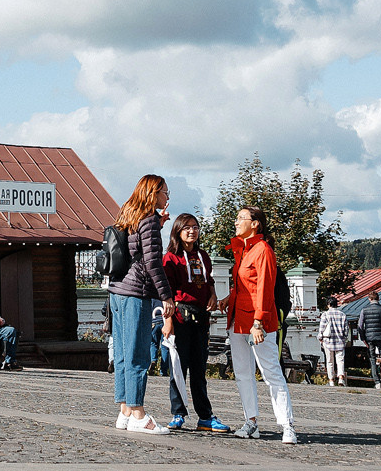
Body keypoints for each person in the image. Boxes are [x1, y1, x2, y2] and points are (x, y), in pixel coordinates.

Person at [106, 174, 175, 434]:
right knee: (138, 355)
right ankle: (138, 413)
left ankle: (124, 410)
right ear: (153, 193)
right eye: (165, 193)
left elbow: (134, 249)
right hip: (135, 293)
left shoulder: (128, 214)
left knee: (123, 353)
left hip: (117, 290)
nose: (167, 198)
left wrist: (158, 222)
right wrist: (166, 295)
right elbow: (152, 262)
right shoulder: (148, 220)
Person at [225, 206, 297, 442]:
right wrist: (228, 299)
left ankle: (287, 425)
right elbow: (244, 285)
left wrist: (258, 322)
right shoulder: (244, 250)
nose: (236, 222)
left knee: (271, 373)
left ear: (255, 224)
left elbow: (265, 288)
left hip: (258, 321)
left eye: (240, 218)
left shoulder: (262, 250)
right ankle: (251, 422)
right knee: (243, 373)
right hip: (238, 319)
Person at [160, 213, 228, 432]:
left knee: (199, 369)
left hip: (201, 318)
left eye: (196, 227)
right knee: (178, 369)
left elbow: (208, 280)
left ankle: (205, 417)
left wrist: (213, 295)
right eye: (187, 227)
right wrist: (168, 322)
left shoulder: (202, 256)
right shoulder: (171, 257)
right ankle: (178, 413)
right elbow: (167, 292)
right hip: (180, 316)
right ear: (178, 231)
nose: (192, 231)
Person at [353, 292, 381, 389]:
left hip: (369, 338)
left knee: (372, 358)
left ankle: (377, 382)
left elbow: (360, 326)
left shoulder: (364, 310)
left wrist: (363, 338)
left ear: (369, 299)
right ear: (378, 299)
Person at [317, 293, 351, 387]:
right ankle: (341, 378)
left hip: (328, 340)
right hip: (340, 340)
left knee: (329, 360)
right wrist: (345, 337)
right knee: (340, 360)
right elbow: (346, 329)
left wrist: (320, 337)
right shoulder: (342, 315)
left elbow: (322, 327)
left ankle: (331, 380)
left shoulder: (325, 314)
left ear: (328, 304)